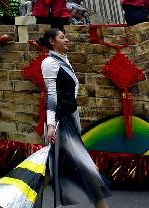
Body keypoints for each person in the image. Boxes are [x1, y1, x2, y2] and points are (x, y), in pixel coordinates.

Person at [39, 28, 111, 208]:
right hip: (60, 122)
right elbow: (51, 96)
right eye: (62, 37)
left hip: (70, 118)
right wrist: (50, 126)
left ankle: (26, 201)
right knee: (86, 166)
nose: (67, 40)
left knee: (50, 167)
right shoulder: (49, 62)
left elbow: (73, 91)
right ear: (51, 41)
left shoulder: (64, 60)